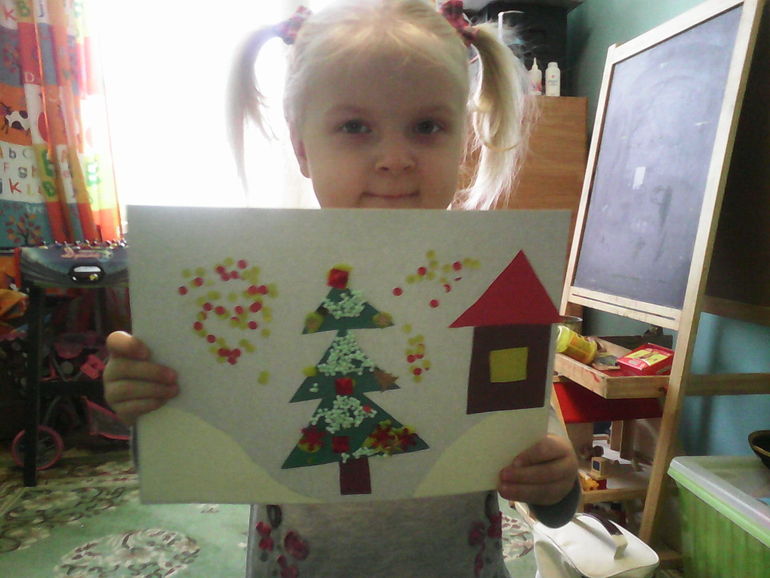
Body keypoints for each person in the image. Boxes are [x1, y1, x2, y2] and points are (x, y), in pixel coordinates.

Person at [104, 1, 579, 576]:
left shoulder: (491, 281)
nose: (395, 160)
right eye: (355, 127)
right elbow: (191, 449)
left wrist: (556, 480)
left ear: (463, 137)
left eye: (427, 126)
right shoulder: (266, 281)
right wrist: (149, 404)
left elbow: (542, 466)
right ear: (302, 148)